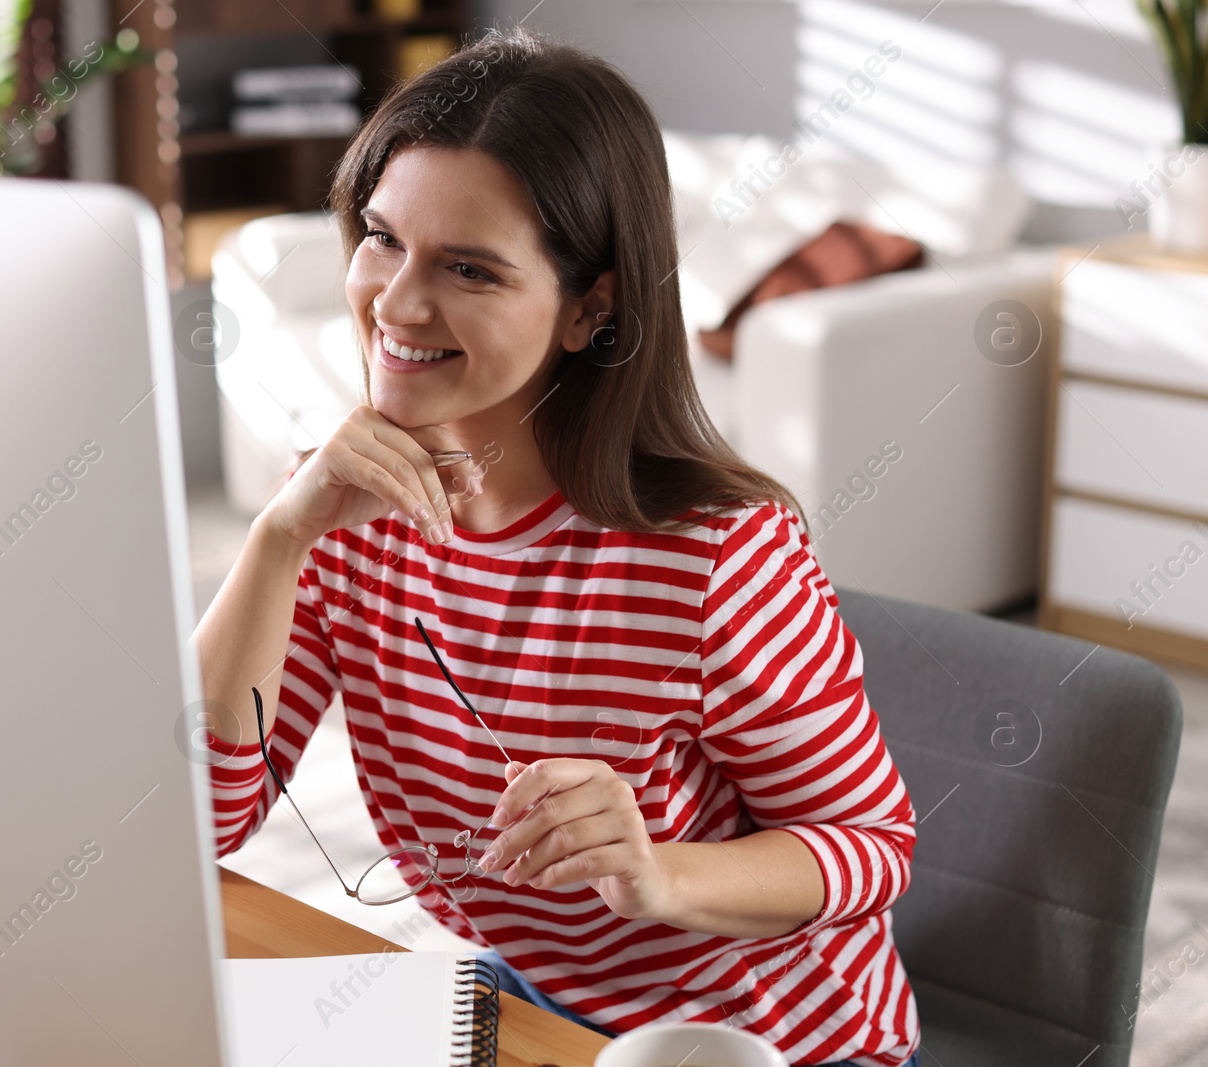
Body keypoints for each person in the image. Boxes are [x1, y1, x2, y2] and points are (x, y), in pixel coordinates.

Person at [190, 24, 919, 1067]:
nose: (394, 302)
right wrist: (277, 536)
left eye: (470, 269)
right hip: (530, 996)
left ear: (592, 306)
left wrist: (659, 872)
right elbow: (196, 821)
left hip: (761, 1040)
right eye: (381, 237)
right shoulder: (342, 514)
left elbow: (870, 848)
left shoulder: (715, 554)